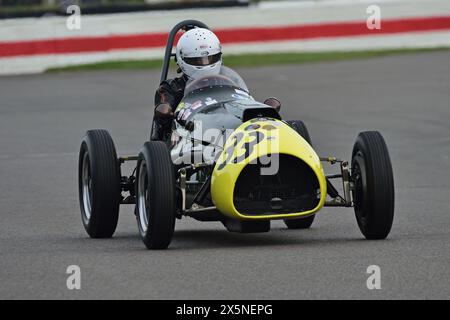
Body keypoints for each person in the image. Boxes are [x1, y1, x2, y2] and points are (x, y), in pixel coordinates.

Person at [151, 28, 280, 141]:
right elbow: (162, 122)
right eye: (197, 60)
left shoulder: (230, 80)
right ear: (181, 60)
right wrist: (166, 113)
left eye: (211, 58)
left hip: (231, 131)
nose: (205, 64)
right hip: (190, 139)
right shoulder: (171, 88)